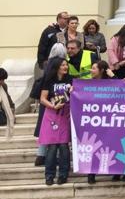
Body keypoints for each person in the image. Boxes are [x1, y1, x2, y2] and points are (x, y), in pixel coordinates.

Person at [38, 57, 72, 186]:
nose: (66, 67)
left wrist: (74, 90)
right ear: (57, 66)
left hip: (65, 115)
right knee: (51, 147)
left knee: (64, 146)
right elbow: (42, 98)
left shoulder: (70, 79)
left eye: (66, 65)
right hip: (51, 114)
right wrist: (52, 106)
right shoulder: (49, 80)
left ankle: (63, 175)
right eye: (63, 65)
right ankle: (49, 175)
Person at [33, 43, 67, 167]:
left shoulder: (47, 64)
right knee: (58, 130)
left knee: (44, 128)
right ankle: (55, 156)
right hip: (57, 101)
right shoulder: (62, 64)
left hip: (46, 101)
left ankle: (40, 155)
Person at [86, 60, 116, 184]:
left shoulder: (111, 83)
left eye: (93, 68)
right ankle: (91, 174)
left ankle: (116, 173)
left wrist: (113, 76)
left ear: (102, 70)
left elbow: (124, 89)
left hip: (110, 122)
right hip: (94, 122)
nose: (91, 71)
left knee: (112, 146)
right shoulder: (87, 84)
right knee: (93, 147)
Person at [0, 68, 15, 139]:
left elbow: (7, 97)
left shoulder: (3, 86)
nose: (2, 81)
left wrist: (12, 106)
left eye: (3, 80)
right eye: (1, 79)